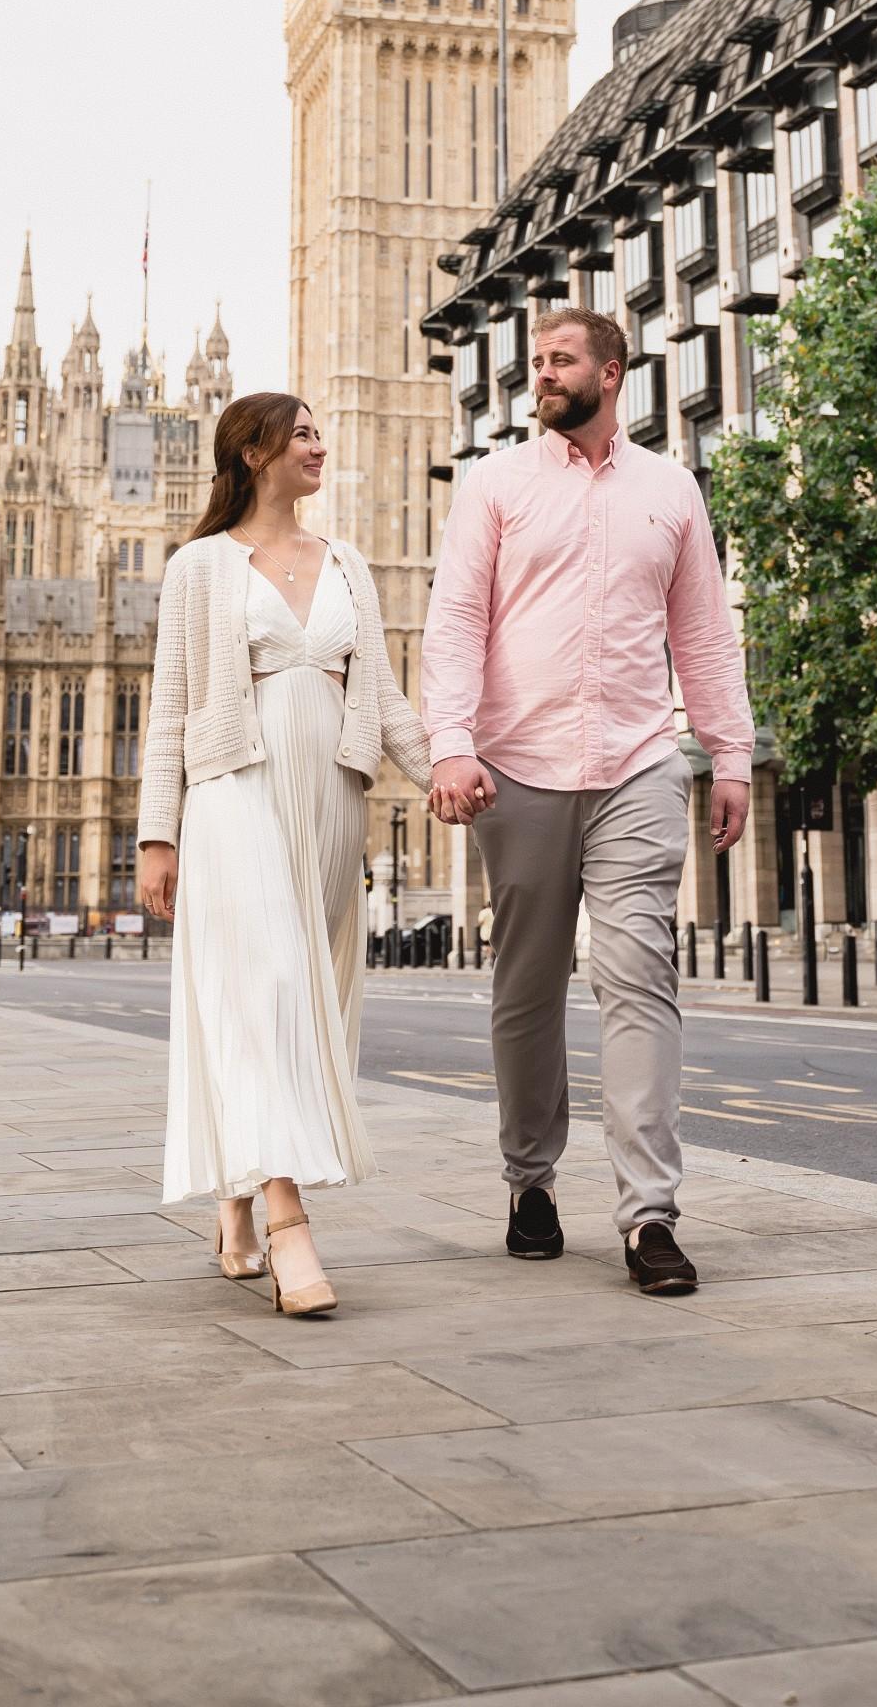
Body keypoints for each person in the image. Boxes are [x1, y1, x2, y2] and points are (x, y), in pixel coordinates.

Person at [423, 308, 753, 1293]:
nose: (543, 376)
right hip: (515, 768)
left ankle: (650, 1214)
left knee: (639, 978)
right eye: (537, 363)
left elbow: (703, 633)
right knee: (526, 988)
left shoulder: (671, 490)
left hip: (640, 764)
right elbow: (454, 627)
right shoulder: (495, 486)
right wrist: (450, 746)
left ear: (613, 370)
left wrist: (727, 752)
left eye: (560, 360)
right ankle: (530, 1181)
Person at [139, 392, 432, 1316]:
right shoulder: (199, 568)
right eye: (301, 433)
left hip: (331, 801)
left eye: (317, 431)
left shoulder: (346, 563)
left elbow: (381, 700)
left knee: (292, 1007)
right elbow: (171, 709)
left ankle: (233, 1193)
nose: (319, 445)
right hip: (236, 791)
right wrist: (159, 833)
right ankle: (287, 1223)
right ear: (253, 452)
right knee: (264, 988)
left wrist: (452, 780)